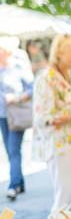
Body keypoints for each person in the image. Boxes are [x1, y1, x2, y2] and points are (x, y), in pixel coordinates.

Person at [33, 34, 71, 215]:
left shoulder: (65, 74)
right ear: (59, 52)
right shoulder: (47, 78)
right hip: (58, 146)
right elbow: (42, 118)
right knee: (64, 197)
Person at [0, 37, 34, 200]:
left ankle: (13, 185)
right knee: (9, 150)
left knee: (14, 149)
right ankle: (19, 181)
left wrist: (18, 98)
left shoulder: (18, 66)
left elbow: (32, 88)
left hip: (17, 115)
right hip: (2, 115)